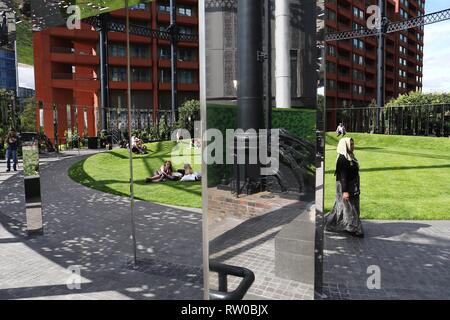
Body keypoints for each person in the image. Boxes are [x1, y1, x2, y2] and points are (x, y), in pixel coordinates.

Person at [324, 137, 364, 238]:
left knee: (341, 206)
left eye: (353, 144)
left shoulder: (350, 156)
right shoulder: (342, 159)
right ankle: (354, 228)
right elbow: (343, 177)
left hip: (352, 185)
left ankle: (331, 224)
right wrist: (345, 191)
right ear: (345, 145)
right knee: (350, 207)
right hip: (345, 186)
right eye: (351, 144)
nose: (353, 146)